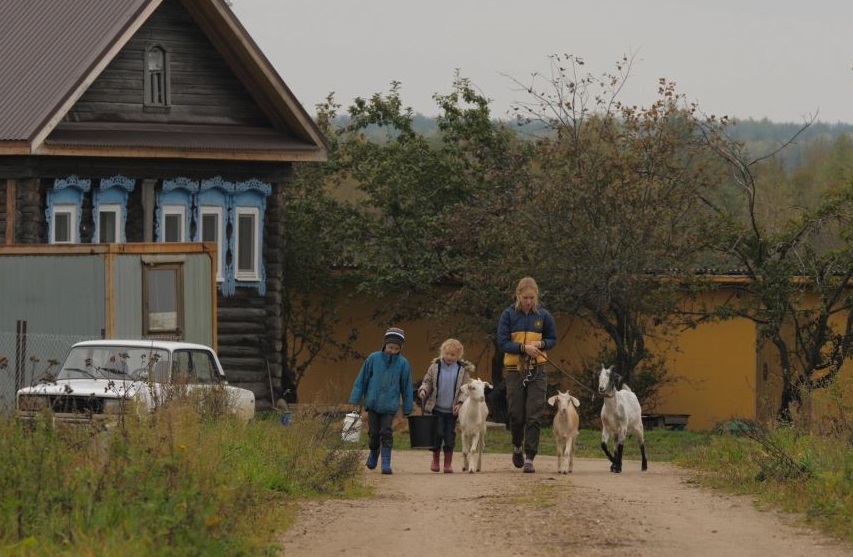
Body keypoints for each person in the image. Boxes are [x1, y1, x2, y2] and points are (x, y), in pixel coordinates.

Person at [497, 277, 557, 474]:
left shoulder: (544, 316)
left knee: (534, 414)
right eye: (525, 298)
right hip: (514, 370)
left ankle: (530, 457)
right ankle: (517, 446)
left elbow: (552, 339)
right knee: (516, 414)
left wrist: (541, 344)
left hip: (537, 369)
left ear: (536, 296)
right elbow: (502, 343)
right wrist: (523, 348)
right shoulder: (508, 315)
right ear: (518, 295)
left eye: (532, 297)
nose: (529, 301)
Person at [348, 327, 414, 475]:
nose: (393, 351)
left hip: (390, 405)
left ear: (400, 348)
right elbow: (362, 379)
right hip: (373, 404)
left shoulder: (403, 364)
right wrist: (355, 398)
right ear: (385, 344)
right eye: (391, 347)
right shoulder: (373, 358)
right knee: (373, 433)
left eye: (397, 348)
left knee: (386, 432)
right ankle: (374, 452)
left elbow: (407, 387)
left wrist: (407, 408)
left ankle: (386, 462)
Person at [417, 338, 474, 473]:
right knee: (437, 434)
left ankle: (448, 464)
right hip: (436, 409)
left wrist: (460, 403)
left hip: (452, 411)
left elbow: (465, 389)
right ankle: (435, 460)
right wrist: (424, 390)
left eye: (453, 355)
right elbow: (428, 381)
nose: (449, 357)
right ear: (442, 352)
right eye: (447, 354)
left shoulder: (462, 370)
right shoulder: (435, 367)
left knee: (449, 437)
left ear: (458, 355)